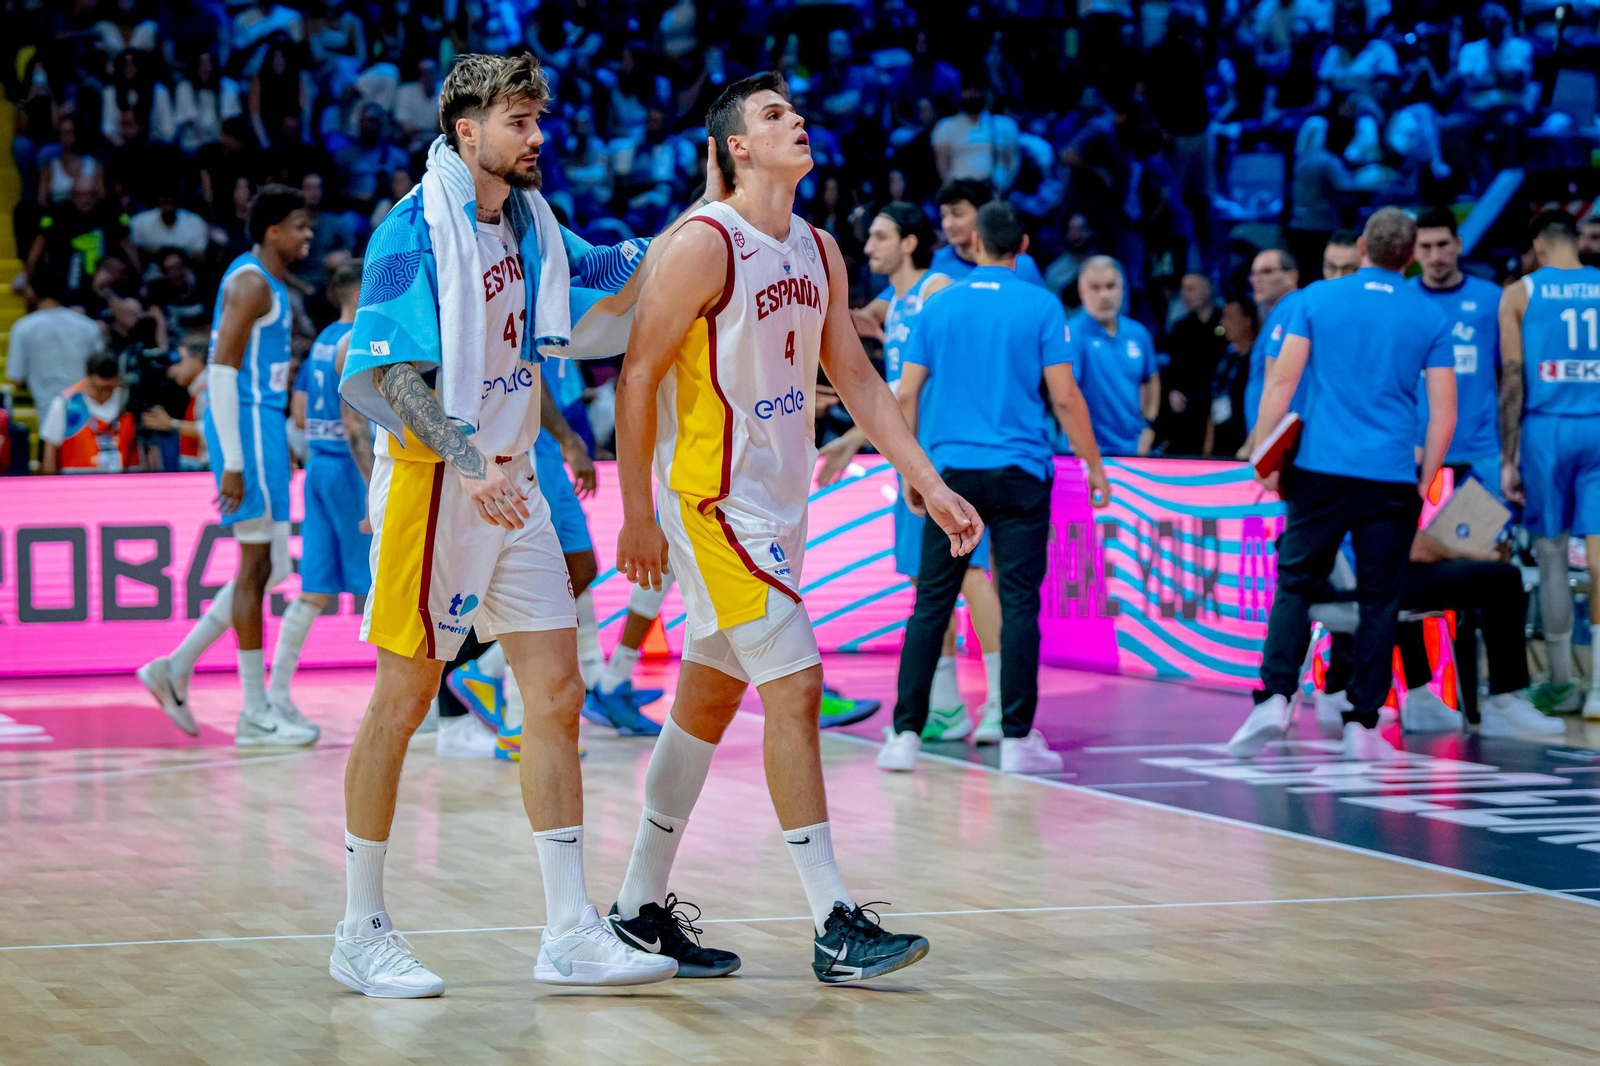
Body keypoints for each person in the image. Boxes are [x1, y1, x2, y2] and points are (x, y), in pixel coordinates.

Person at [608, 72, 982, 984]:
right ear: (736, 147)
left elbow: (857, 378)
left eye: (797, 110)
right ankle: (832, 924)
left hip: (779, 507)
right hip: (711, 504)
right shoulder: (704, 243)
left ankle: (635, 911)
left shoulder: (817, 248)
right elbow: (637, 375)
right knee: (798, 683)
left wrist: (928, 482)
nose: (798, 121)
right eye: (774, 115)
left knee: (705, 701)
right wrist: (635, 514)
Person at [330, 53, 679, 998]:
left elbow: (608, 274)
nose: (537, 137)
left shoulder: (530, 223)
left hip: (513, 481)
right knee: (402, 701)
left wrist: (702, 224)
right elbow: (390, 373)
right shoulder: (412, 227)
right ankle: (360, 930)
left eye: (538, 119)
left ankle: (569, 930)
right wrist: (468, 459)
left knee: (557, 694)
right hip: (435, 484)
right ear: (466, 130)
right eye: (519, 121)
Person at [883, 201, 1110, 775]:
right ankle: (1016, 740)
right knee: (1020, 603)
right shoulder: (1041, 304)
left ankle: (904, 736)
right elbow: (1064, 397)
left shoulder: (939, 305)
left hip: (951, 475)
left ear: (974, 243)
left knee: (931, 602)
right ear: (1024, 247)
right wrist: (1094, 466)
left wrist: (913, 474)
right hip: (1021, 473)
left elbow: (905, 394)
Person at [1227, 207, 1458, 762]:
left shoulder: (1314, 300)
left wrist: (1264, 457)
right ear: (1410, 257)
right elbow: (1444, 413)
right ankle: (1362, 724)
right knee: (1380, 599)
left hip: (1320, 470)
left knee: (1295, 584)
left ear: (1361, 247)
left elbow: (1282, 380)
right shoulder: (1428, 315)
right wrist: (1424, 481)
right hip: (1389, 475)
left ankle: (1274, 698)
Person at [136, 185, 317, 746]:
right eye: (299, 226)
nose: (309, 235)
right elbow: (220, 372)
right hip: (246, 427)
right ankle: (253, 710)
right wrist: (234, 461)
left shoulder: (271, 283)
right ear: (272, 232)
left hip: (264, 428)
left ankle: (175, 666)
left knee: (273, 569)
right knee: (256, 566)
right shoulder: (250, 283)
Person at [833, 201, 1003, 742]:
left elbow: (948, 374)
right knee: (927, 582)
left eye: (881, 236)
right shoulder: (895, 301)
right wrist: (851, 436)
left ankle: (1003, 703)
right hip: (910, 456)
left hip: (945, 458)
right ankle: (947, 708)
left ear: (910, 242)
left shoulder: (936, 289)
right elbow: (886, 382)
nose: (869, 247)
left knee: (970, 574)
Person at [1498, 211, 1600, 719]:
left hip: (1546, 431)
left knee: (1552, 555)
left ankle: (1563, 683)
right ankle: (1599, 687)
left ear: (1539, 246)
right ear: (1576, 242)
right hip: (1597, 423)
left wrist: (1508, 457)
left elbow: (1513, 380)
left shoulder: (1519, 294)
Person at [267, 261, 370, 731]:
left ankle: (277, 695)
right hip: (351, 469)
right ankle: (416, 706)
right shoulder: (358, 339)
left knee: (314, 590)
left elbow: (298, 411)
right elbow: (355, 424)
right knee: (386, 584)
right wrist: (373, 486)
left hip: (318, 468)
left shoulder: (324, 339)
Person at [1411, 208, 1504, 496]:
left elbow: (1511, 375)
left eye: (1442, 245)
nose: (1435, 255)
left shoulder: (1492, 299)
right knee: (1417, 529)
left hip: (1481, 453)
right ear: (1414, 251)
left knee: (1481, 528)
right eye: (1426, 247)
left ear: (1458, 244)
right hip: (1416, 453)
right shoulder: (1401, 301)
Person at [1067, 256, 1160, 457]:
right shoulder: (1072, 335)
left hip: (1133, 450)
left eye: (1110, 286)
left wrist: (1149, 426)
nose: (1104, 295)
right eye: (1095, 288)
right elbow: (1066, 393)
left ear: (1122, 288)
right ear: (1081, 292)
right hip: (1088, 452)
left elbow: (1151, 379)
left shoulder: (1138, 333)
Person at [6, 271, 104, 419]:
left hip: (48, 415)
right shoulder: (88, 325)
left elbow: (16, 378)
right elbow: (101, 370)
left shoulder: (23, 327)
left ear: (31, 291)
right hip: (87, 416)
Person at [1239, 247, 1300, 453]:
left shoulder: (1292, 306)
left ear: (1291, 276)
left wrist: (1254, 444)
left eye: (1266, 272)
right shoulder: (1277, 313)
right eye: (1253, 273)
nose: (1256, 279)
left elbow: (1278, 381)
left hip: (1272, 441)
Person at [930, 179, 1045, 286]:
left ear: (983, 214)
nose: (947, 224)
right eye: (943, 216)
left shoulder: (1021, 265)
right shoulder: (934, 263)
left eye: (958, 214)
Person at [1159, 273, 1226, 455]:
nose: (1184, 295)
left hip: (1219, 400)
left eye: (1190, 289)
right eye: (1182, 289)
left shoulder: (1225, 321)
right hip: (1188, 404)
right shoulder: (1180, 327)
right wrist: (1173, 390)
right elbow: (1173, 367)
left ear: (1207, 290)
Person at [38, 353, 135, 474]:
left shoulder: (129, 402)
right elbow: (50, 448)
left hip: (123, 480)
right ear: (87, 379)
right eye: (98, 388)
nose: (103, 394)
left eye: (108, 389)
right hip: (78, 480)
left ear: (117, 381)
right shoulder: (65, 403)